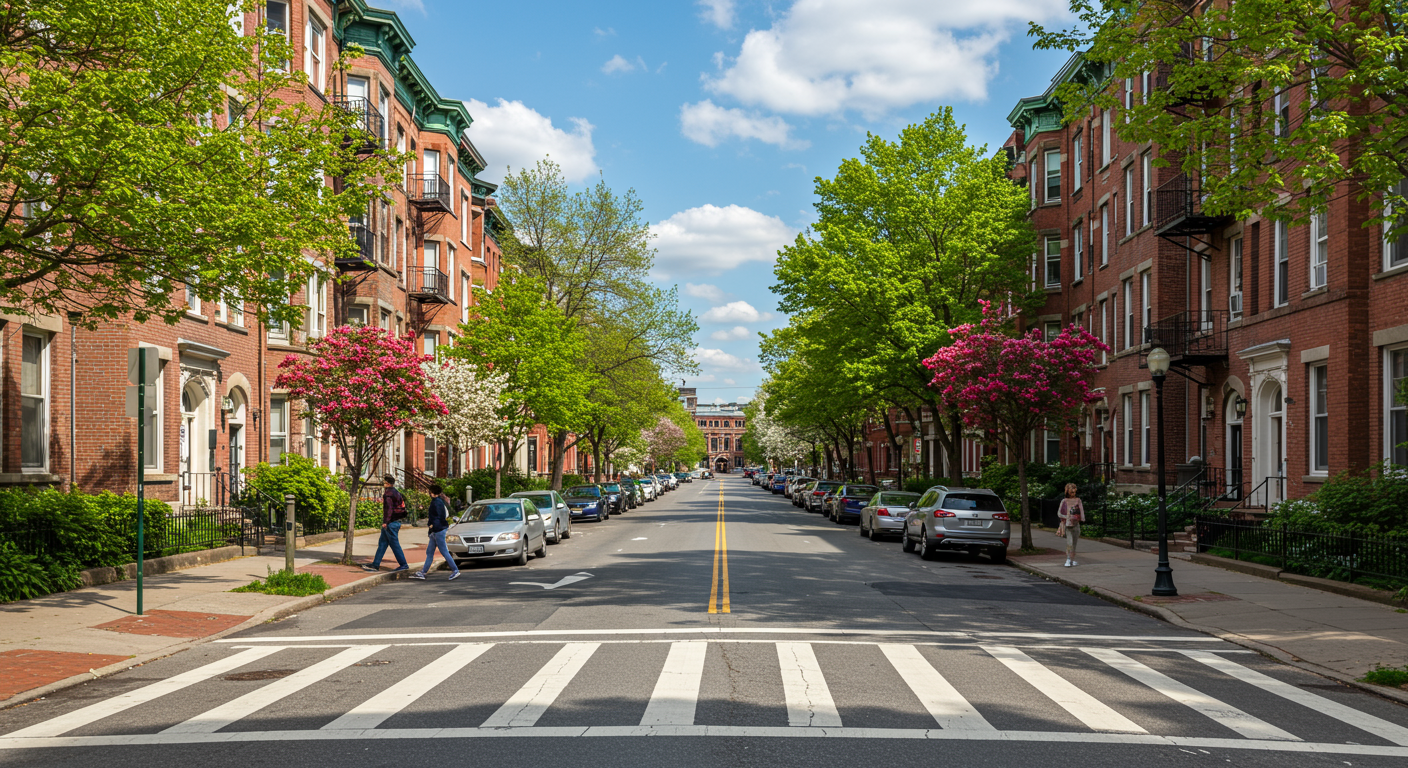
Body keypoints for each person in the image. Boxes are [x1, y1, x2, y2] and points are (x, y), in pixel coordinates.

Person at [361, 474, 409, 572]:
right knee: (382, 543)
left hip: (391, 522)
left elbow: (389, 509)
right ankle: (375, 564)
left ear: (387, 483)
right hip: (396, 521)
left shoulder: (388, 494)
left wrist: (386, 522)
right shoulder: (396, 492)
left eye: (384, 482)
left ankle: (403, 564)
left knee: (395, 545)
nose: (383, 483)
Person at [413, 483, 460, 581]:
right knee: (429, 552)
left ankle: (455, 570)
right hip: (436, 531)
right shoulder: (439, 501)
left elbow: (438, 517)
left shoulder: (436, 502)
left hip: (438, 530)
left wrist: (433, 527)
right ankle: (423, 572)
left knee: (444, 551)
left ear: (432, 492)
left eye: (430, 491)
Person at [1057, 482, 1085, 567]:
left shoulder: (1078, 500)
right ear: (1067, 490)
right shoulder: (1064, 501)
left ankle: (1072, 559)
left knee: (1074, 544)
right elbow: (1059, 513)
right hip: (1068, 525)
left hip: (1076, 525)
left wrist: (1081, 518)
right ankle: (1068, 559)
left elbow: (1081, 511)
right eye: (1071, 488)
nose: (1073, 490)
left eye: (1074, 488)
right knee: (1070, 542)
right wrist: (1067, 517)